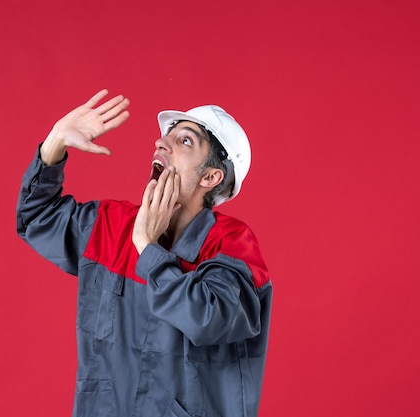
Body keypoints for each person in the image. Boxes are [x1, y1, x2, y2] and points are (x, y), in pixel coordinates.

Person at [16, 89, 272, 417]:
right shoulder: (110, 227)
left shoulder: (232, 247)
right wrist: (55, 143)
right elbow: (35, 218)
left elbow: (208, 319)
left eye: (185, 141)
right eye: (166, 136)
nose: (161, 144)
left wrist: (148, 249)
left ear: (211, 177)